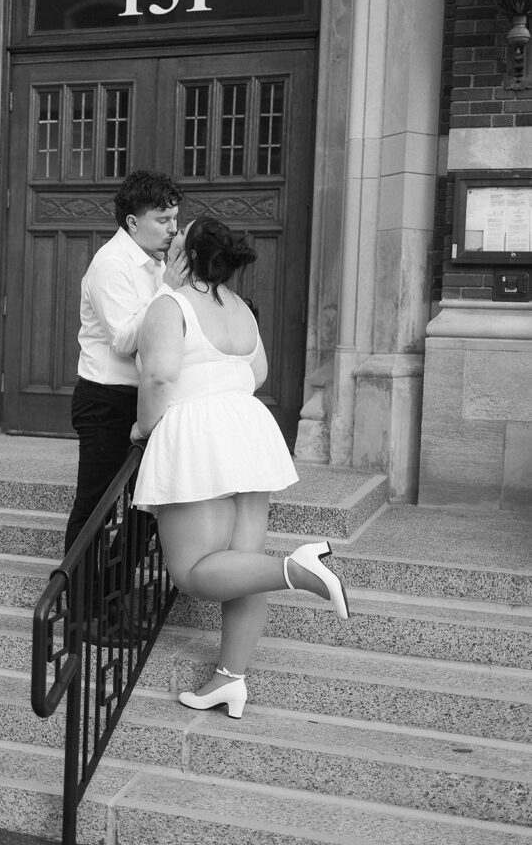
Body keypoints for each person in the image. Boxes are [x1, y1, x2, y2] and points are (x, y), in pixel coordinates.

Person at [131, 216, 349, 719]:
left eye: (177, 240)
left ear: (188, 256)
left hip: (199, 433)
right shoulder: (241, 308)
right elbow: (259, 372)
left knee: (192, 572)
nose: (170, 245)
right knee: (243, 567)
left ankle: (297, 569)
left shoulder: (170, 304)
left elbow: (159, 377)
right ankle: (229, 680)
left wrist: (144, 429)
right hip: (246, 429)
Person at [64, 169, 186, 559]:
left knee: (150, 504)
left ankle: (112, 587)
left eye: (175, 219)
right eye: (162, 220)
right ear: (133, 222)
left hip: (148, 399)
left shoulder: (159, 264)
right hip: (105, 400)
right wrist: (168, 290)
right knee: (95, 505)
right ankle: (79, 593)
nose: (173, 229)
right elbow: (123, 340)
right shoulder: (110, 264)